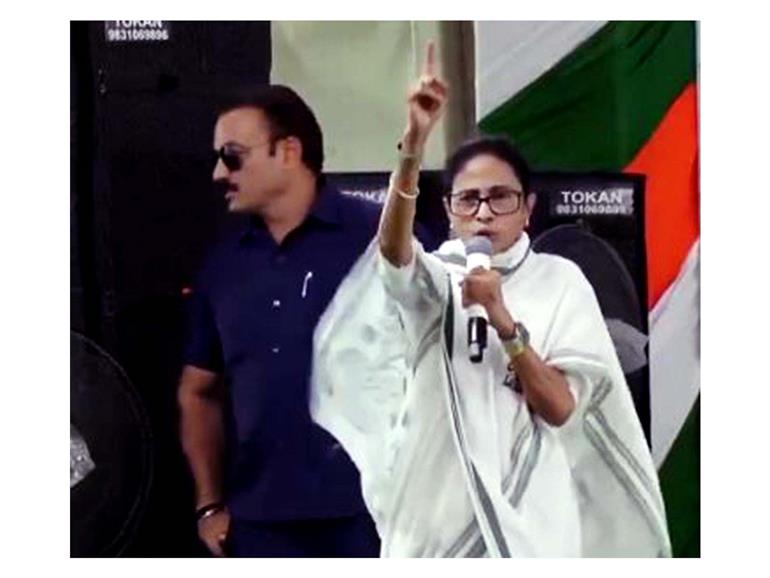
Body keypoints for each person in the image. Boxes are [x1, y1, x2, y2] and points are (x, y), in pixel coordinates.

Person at [310, 43, 671, 557]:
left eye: (500, 197)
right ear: (449, 210)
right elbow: (393, 254)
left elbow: (562, 410)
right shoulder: (438, 279)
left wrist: (503, 320)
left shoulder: (559, 282)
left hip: (530, 524)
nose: (483, 213)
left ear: (527, 208)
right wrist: (413, 147)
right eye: (468, 199)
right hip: (435, 522)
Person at [178, 85, 382, 557]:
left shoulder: (379, 240)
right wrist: (209, 505)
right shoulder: (225, 264)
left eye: (232, 156)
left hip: (376, 514)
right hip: (260, 523)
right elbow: (197, 390)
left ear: (289, 151)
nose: (219, 173)